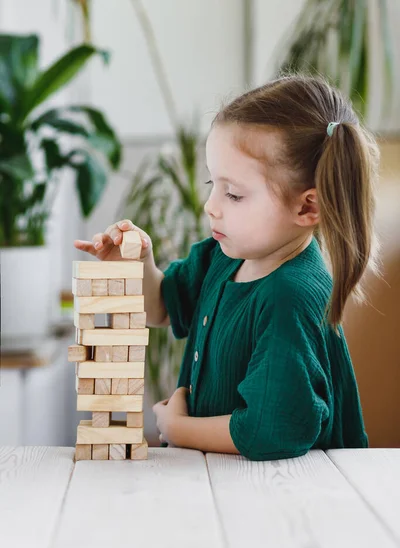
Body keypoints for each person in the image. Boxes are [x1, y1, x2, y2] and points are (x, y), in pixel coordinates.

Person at [74, 75, 380, 460]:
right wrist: (139, 264)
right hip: (222, 482)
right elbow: (165, 307)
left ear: (307, 207)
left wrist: (178, 428)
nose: (211, 205)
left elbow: (273, 431)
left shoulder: (289, 296)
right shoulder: (224, 255)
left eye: (233, 193)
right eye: (212, 183)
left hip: (287, 496)